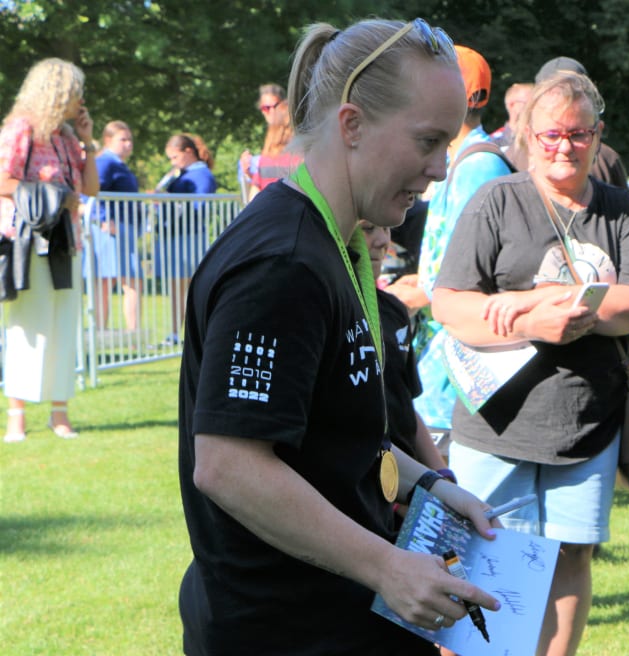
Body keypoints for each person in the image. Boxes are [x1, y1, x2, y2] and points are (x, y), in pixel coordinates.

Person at [177, 18, 501, 655]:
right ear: (351, 125)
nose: (440, 169)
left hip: (339, 618)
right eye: (428, 141)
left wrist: (430, 487)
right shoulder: (283, 263)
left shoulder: (337, 243)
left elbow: (334, 437)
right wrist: (386, 567)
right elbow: (229, 465)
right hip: (285, 631)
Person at [431, 70, 629, 656]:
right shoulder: (497, 201)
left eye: (579, 134)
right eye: (553, 134)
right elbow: (451, 304)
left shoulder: (618, 207)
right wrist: (534, 322)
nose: (565, 147)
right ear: (529, 135)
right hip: (495, 422)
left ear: (598, 135)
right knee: (482, 555)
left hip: (587, 422)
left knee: (570, 555)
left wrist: (530, 302)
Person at [396, 45, 513, 454]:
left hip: (457, 372)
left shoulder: (478, 166)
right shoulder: (459, 161)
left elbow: (465, 272)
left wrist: (410, 294)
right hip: (441, 358)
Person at [1, 58, 98, 443]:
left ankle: (60, 414)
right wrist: (56, 194)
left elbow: (90, 189)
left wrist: (88, 140)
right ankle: (16, 416)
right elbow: (2, 178)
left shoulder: (67, 137)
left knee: (62, 324)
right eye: (76, 93)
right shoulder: (21, 129)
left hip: (64, 240)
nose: (81, 100)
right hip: (28, 241)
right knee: (27, 325)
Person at [360, 218, 450, 474]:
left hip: (409, 477)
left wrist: (440, 474)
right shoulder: (330, 308)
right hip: (364, 479)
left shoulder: (393, 310)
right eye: (368, 228)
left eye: (386, 229)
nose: (382, 241)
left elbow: (406, 405)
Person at [505, 56, 629, 189]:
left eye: (578, 135)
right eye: (551, 136)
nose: (565, 147)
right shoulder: (511, 159)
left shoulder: (605, 158)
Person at [155, 133, 217, 346]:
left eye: (175, 157)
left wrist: (169, 203)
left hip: (188, 235)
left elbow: (198, 207)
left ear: (188, 152)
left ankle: (194, 333)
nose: (173, 162)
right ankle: (176, 333)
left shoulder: (200, 175)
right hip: (178, 235)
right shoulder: (182, 174)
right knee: (177, 285)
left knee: (190, 286)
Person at [90, 120, 141, 332]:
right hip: (110, 229)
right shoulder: (105, 162)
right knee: (118, 281)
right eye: (123, 139)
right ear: (108, 140)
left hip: (122, 228)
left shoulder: (118, 163)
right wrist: (102, 218)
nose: (128, 144)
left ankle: (125, 331)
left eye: (130, 139)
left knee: (121, 280)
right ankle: (125, 332)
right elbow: (92, 191)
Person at [490, 82, 533, 149]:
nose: (534, 108)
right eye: (529, 103)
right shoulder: (494, 142)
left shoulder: (542, 138)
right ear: (512, 105)